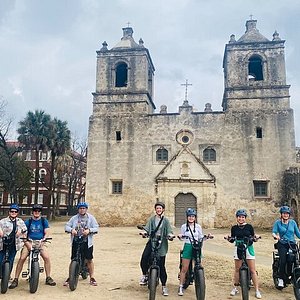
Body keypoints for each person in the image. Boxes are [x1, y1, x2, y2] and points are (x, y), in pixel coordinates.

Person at [9, 204, 56, 289]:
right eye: (35, 211)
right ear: (32, 212)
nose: (37, 212)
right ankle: (15, 279)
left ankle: (48, 277)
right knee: (22, 258)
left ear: (40, 212)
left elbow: (47, 231)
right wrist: (27, 244)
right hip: (29, 242)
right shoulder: (28, 222)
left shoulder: (43, 221)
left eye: (38, 211)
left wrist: (44, 240)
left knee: (46, 257)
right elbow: (24, 234)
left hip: (40, 242)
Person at [139, 201, 174, 297]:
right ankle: (145, 275)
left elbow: (169, 230)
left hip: (161, 243)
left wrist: (170, 235)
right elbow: (147, 228)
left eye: (160, 208)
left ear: (163, 210)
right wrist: (144, 233)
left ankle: (164, 286)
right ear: (155, 210)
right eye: (157, 208)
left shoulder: (165, 220)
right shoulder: (152, 219)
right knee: (144, 258)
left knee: (161, 265)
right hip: (152, 242)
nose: (159, 210)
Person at [227, 209, 262, 299]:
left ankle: (257, 290)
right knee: (237, 269)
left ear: (245, 218)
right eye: (239, 217)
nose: (241, 218)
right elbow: (232, 238)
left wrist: (256, 238)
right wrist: (229, 238)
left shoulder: (249, 227)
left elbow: (253, 236)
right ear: (237, 218)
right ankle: (235, 287)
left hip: (248, 247)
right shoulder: (234, 228)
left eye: (242, 217)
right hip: (238, 247)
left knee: (253, 270)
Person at [64, 201, 99, 286]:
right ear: (78, 209)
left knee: (89, 259)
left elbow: (96, 228)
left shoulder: (91, 218)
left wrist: (89, 230)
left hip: (87, 242)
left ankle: (92, 277)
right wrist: (71, 230)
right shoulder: (74, 218)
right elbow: (67, 226)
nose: (82, 210)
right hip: (76, 241)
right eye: (80, 208)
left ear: (86, 209)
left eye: (83, 208)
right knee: (73, 259)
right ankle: (70, 277)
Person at [177, 208, 209, 296]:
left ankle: (198, 278)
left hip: (196, 246)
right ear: (187, 217)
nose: (191, 218)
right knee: (184, 268)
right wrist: (180, 236)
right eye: (189, 216)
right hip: (188, 246)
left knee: (198, 264)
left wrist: (206, 237)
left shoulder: (198, 226)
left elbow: (200, 237)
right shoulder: (184, 226)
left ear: (195, 217)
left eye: (193, 216)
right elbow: (182, 238)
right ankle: (180, 286)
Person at [272, 205, 300, 289]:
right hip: (282, 243)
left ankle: (294, 276)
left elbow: (298, 234)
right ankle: (281, 279)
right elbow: (274, 232)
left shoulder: (293, 222)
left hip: (292, 244)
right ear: (281, 214)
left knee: (295, 260)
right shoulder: (278, 223)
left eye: (287, 214)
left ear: (289, 215)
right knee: (283, 260)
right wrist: (276, 236)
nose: (286, 215)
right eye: (284, 213)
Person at [0, 204, 27, 274]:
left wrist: (20, 231)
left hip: (14, 244)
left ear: (17, 213)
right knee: (1, 259)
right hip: (3, 243)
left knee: (10, 260)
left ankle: (7, 277)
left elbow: (25, 229)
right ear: (9, 212)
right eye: (12, 211)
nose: (13, 213)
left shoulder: (20, 221)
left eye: (15, 211)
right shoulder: (3, 221)